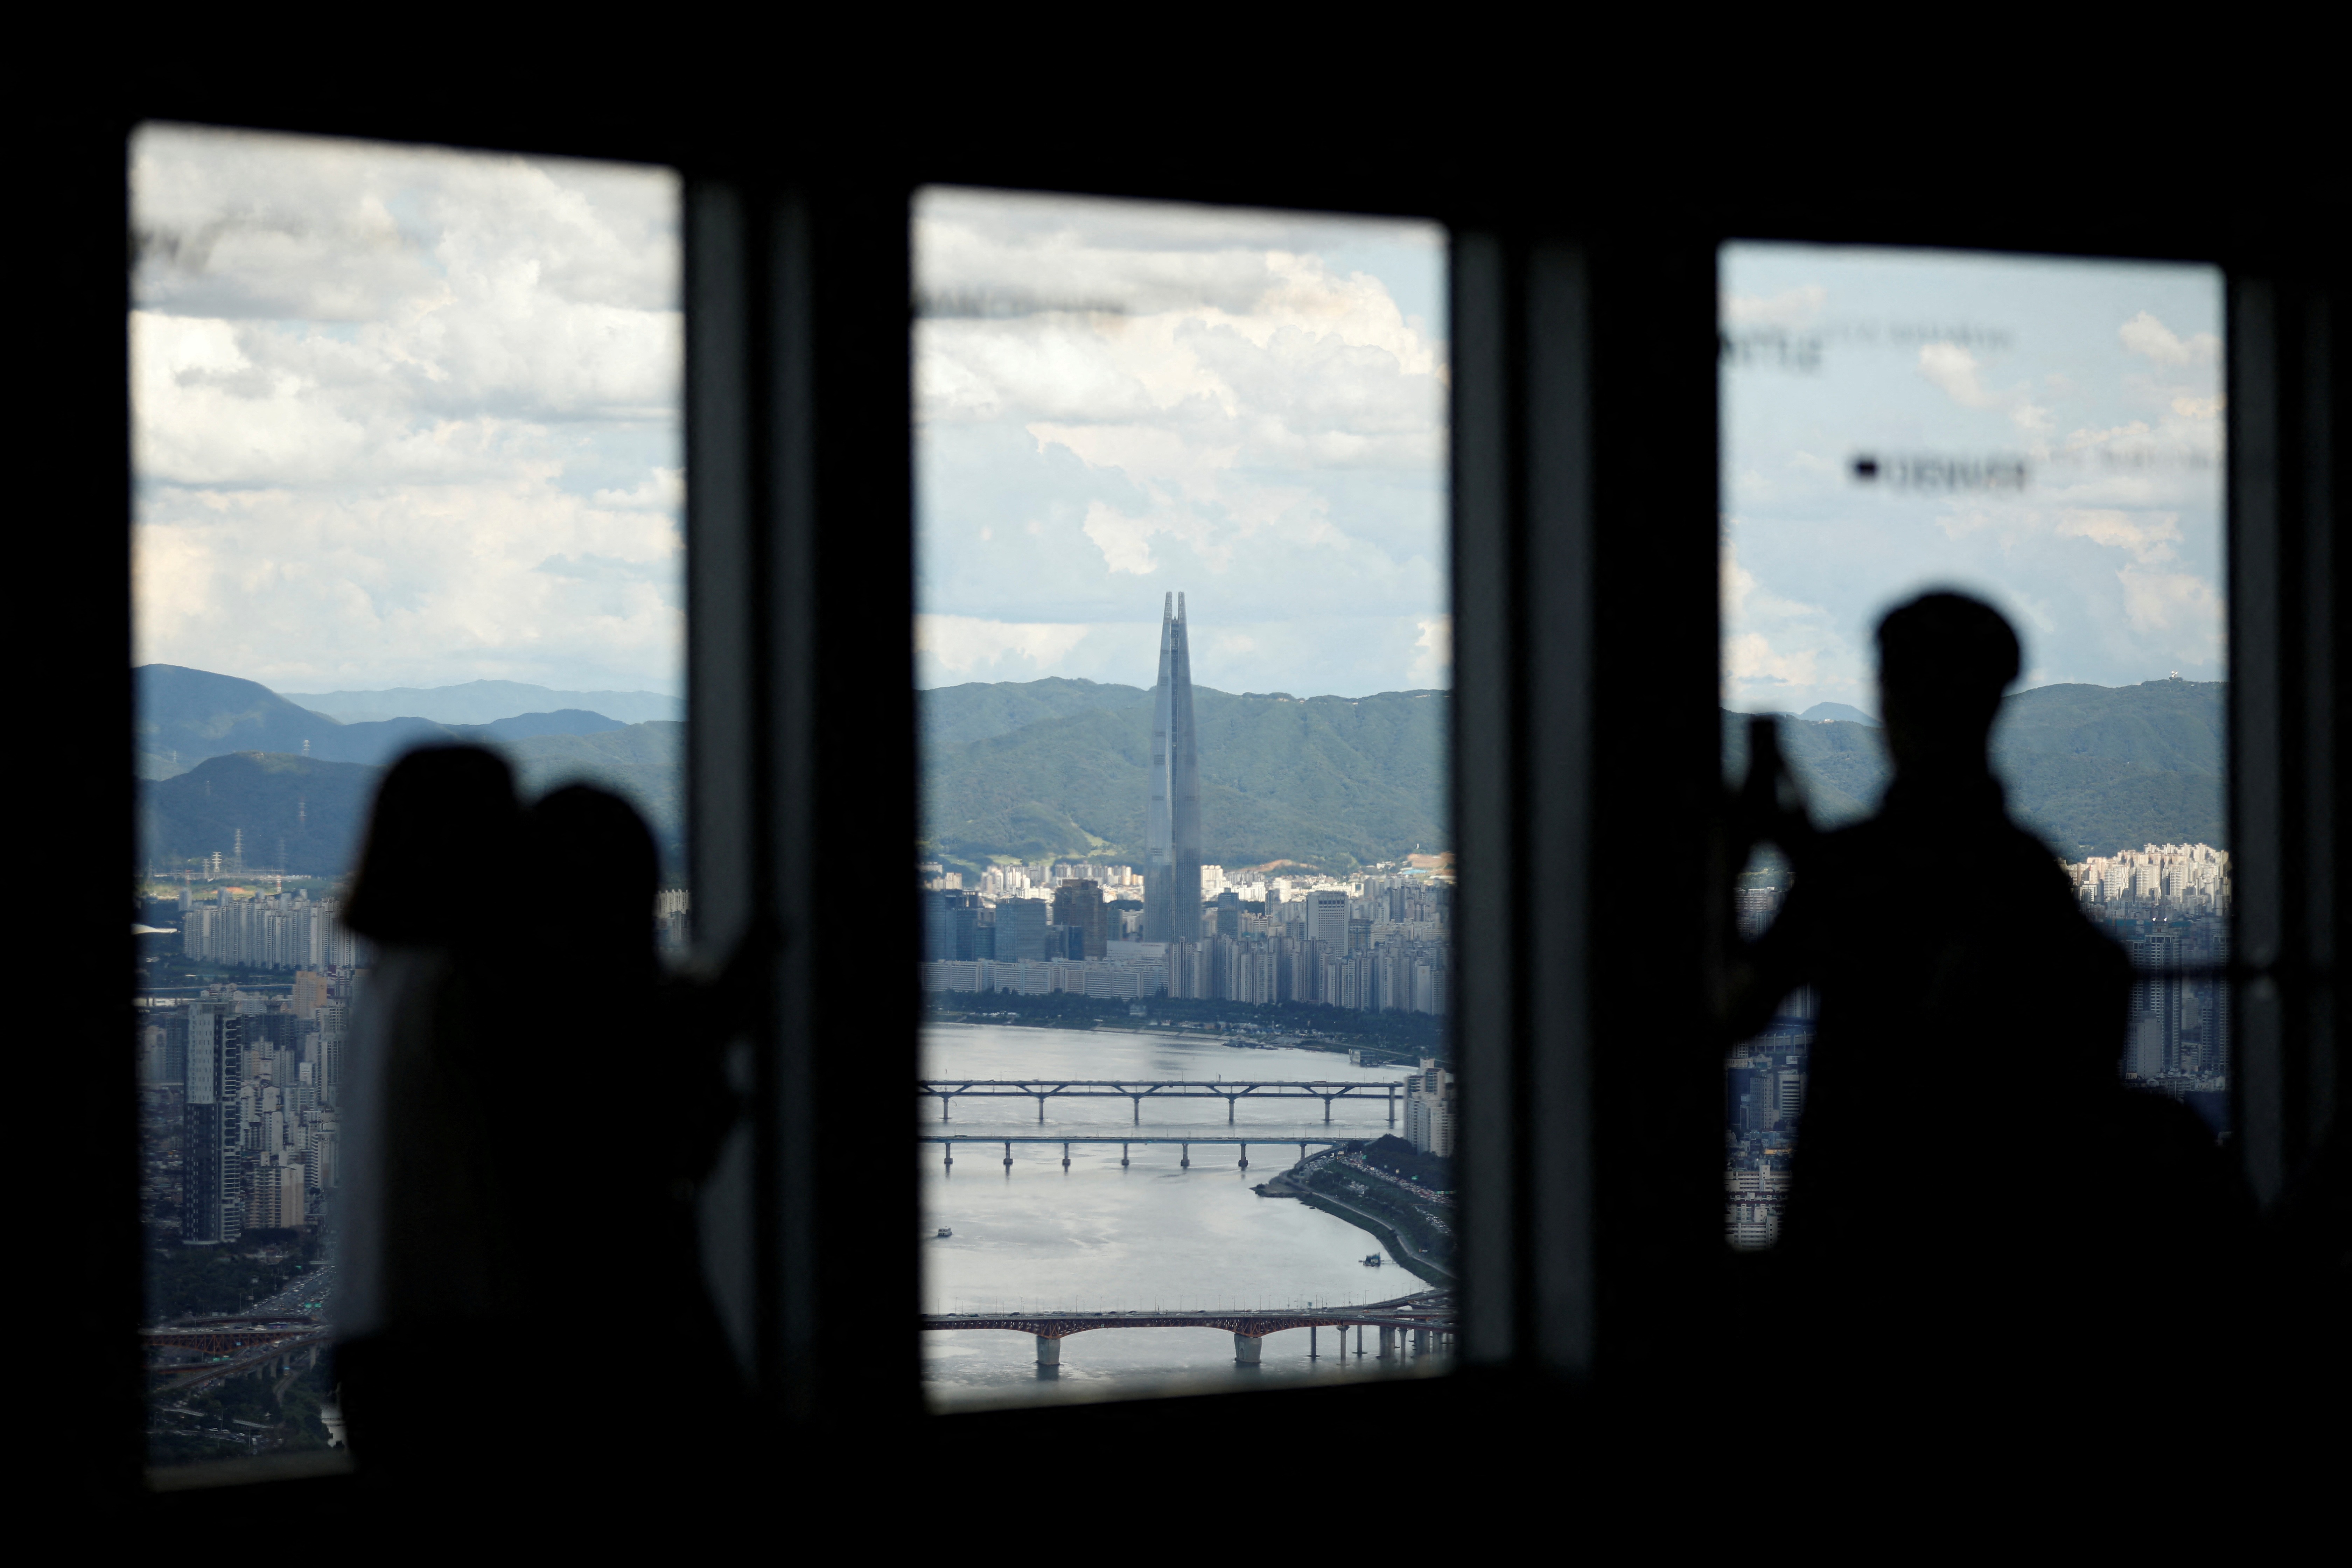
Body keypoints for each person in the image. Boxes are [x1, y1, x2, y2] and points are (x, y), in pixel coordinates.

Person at [1722, 592, 2249, 1403]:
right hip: (2012, 1275)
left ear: (1889, 702)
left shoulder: (1854, 869)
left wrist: (1730, 867)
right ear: (1995, 706)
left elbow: (1728, 1012)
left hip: (1855, 1262)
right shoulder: (2028, 874)